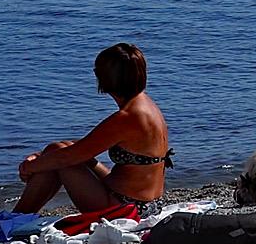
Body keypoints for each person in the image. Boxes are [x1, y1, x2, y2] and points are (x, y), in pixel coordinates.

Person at [15, 43, 171, 216]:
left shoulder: (128, 117)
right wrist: (39, 159)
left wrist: (28, 168)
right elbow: (83, 148)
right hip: (146, 203)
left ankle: (16, 217)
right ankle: (19, 216)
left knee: (59, 156)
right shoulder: (145, 105)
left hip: (127, 208)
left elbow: (67, 157)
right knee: (59, 148)